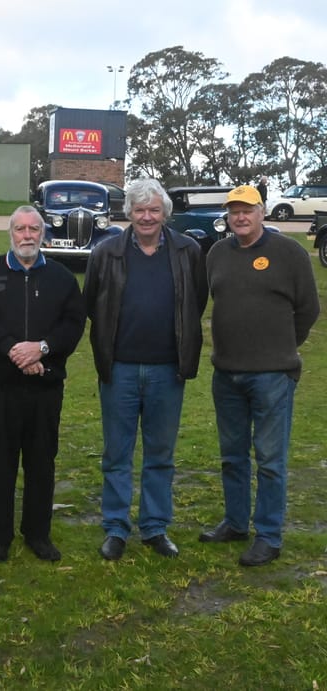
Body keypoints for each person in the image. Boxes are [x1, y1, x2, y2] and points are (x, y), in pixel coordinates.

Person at [83, 178, 208, 561]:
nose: (147, 216)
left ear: (164, 213)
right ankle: (116, 528)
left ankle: (155, 527)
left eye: (154, 209)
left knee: (160, 454)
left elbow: (196, 301)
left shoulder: (188, 251)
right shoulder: (106, 252)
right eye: (140, 210)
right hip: (118, 368)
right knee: (117, 454)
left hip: (167, 370)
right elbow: (92, 302)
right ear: (130, 214)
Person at [200, 184, 319, 566]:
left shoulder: (290, 253)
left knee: (269, 459)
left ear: (262, 212)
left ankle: (269, 535)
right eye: (234, 210)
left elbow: (308, 310)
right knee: (232, 456)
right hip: (227, 374)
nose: (240, 216)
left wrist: (283, 348)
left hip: (273, 376)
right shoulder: (217, 253)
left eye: (247, 210)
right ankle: (236, 522)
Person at [0, 205, 85, 563]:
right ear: (11, 234)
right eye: (20, 229)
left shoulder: (63, 278)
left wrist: (42, 350)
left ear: (43, 234)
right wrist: (13, 351)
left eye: (34, 229)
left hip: (45, 390)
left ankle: (38, 534)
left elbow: (73, 324)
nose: (27, 235)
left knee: (41, 464)